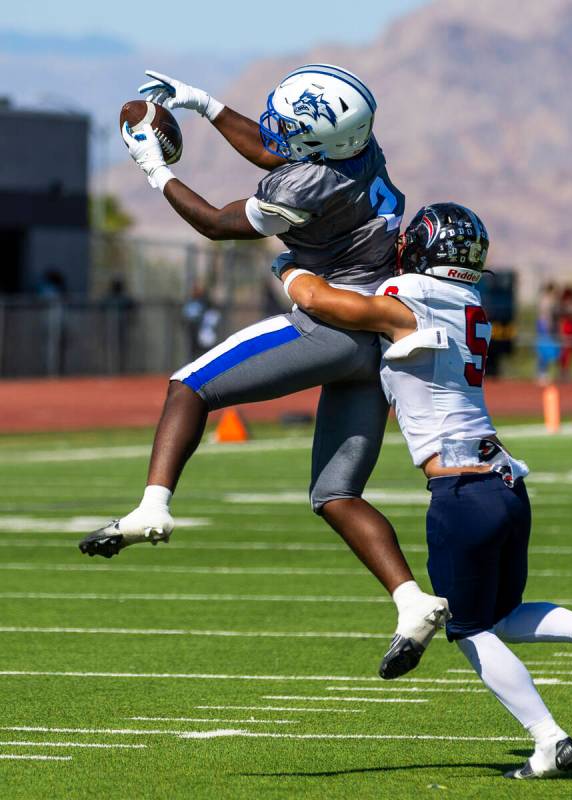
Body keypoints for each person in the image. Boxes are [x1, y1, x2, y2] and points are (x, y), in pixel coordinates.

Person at [78, 64, 449, 679]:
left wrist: (155, 170)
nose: (276, 128)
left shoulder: (308, 187)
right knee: (335, 495)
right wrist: (203, 103)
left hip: (330, 325)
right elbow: (276, 150)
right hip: (374, 338)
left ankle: (152, 505)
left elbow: (218, 224)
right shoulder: (356, 147)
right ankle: (412, 601)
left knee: (189, 385)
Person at [276, 202, 572, 779]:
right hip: (505, 482)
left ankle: (548, 739)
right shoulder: (470, 302)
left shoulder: (412, 300)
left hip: (461, 491)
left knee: (471, 628)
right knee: (499, 616)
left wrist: (289, 267)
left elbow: (326, 303)